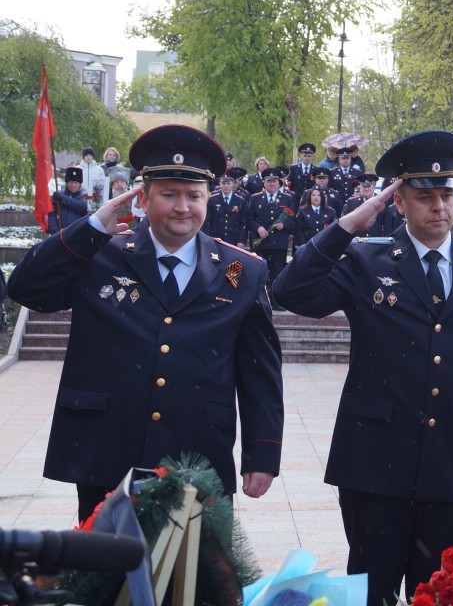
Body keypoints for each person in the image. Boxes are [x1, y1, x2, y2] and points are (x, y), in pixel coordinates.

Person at [273, 131, 453, 606]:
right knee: (370, 593)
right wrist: (345, 226)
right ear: (399, 202)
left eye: (446, 195)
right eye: (424, 197)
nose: (439, 207)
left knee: (441, 594)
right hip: (374, 466)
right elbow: (290, 292)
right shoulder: (365, 260)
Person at [8, 124, 284, 523]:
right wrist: (91, 229)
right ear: (143, 198)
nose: (182, 208)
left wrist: (262, 452)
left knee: (189, 579)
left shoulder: (242, 271)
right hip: (108, 450)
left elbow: (260, 371)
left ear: (209, 199)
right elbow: (26, 288)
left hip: (196, 454)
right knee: (106, 576)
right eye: (169, 195)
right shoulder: (100, 257)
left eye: (194, 196)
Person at [246, 166, 294, 308]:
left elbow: (293, 218)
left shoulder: (287, 198)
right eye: (268, 181)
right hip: (261, 242)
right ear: (264, 183)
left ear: (279, 183)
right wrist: (258, 227)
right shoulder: (255, 198)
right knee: (260, 272)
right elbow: (249, 219)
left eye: (274, 181)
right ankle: (260, 301)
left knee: (278, 273)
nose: (272, 184)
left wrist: (284, 225)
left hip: (279, 242)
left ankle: (275, 301)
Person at [203, 173, 249, 247]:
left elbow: (244, 222)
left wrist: (242, 240)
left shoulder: (240, 200)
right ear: (220, 184)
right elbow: (207, 221)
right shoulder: (212, 199)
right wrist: (208, 238)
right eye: (223, 183)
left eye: (228, 183)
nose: (226, 186)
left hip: (234, 239)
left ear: (233, 184)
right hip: (216, 238)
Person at [47, 166, 90, 234]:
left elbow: (83, 208)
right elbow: (52, 214)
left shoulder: (85, 196)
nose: (73, 185)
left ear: (80, 183)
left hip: (79, 234)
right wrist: (55, 231)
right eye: (70, 182)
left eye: (76, 183)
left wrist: (63, 199)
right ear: (66, 183)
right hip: (61, 234)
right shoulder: (58, 195)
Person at [79, 147, 109, 213]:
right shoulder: (78, 168)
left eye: (90, 155)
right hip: (81, 197)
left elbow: (102, 185)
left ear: (93, 156)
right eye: (86, 155)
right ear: (83, 157)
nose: (88, 157)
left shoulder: (99, 169)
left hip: (95, 199)